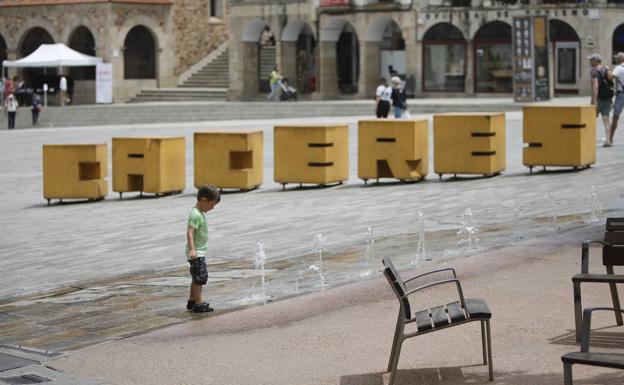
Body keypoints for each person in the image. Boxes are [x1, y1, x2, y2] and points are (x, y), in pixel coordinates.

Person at [186, 185, 220, 313]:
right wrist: (192, 249)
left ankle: (192, 300)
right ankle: (199, 303)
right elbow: (190, 232)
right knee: (200, 278)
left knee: (196, 277)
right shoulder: (195, 215)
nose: (212, 209)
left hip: (198, 251)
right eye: (212, 205)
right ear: (204, 200)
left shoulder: (199, 213)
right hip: (196, 252)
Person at [588, 53, 613, 146]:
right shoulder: (606, 69)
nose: (590, 61)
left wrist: (594, 100)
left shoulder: (593, 71)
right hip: (607, 98)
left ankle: (588, 139)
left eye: (591, 60)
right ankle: (608, 140)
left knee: (590, 119)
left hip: (598, 98)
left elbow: (595, 86)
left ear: (595, 61)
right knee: (606, 119)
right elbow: (611, 79)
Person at [609, 51, 624, 146]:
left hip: (621, 94)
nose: (615, 60)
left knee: (615, 117)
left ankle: (610, 138)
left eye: (616, 58)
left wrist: (608, 71)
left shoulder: (619, 68)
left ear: (619, 59)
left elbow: (610, 77)